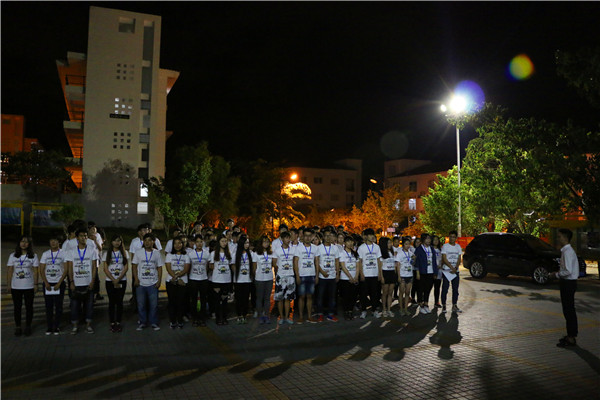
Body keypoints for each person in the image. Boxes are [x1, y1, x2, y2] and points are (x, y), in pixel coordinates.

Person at [66, 229, 98, 334]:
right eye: (81, 236)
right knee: (74, 306)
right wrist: (71, 282)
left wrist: (93, 281)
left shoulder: (92, 250)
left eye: (85, 236)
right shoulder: (71, 251)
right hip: (76, 283)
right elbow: (70, 268)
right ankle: (75, 326)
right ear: (77, 238)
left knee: (89, 306)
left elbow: (94, 267)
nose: (84, 238)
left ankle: (88, 325)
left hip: (88, 283)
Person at [7, 235, 39, 336]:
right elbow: (9, 270)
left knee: (29, 307)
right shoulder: (13, 256)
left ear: (29, 244)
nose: (23, 244)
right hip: (16, 286)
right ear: (19, 243)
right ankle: (18, 326)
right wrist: (8, 284)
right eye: (22, 241)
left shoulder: (33, 256)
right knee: (17, 307)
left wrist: (36, 284)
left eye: (26, 242)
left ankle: (28, 326)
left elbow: (36, 271)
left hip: (29, 286)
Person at [132, 233, 163, 331]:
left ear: (153, 242)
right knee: (141, 305)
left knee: (154, 305)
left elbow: (159, 268)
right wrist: (136, 279)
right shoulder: (138, 252)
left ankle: (154, 322)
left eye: (149, 240)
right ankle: (142, 322)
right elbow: (134, 266)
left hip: (153, 283)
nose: (147, 242)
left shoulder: (157, 253)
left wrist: (159, 281)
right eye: (145, 240)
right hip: (141, 283)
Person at [554, 228, 579, 347]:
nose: (558, 239)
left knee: (569, 311)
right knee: (568, 310)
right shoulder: (567, 251)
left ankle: (571, 338)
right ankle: (571, 335)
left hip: (568, 283)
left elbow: (568, 270)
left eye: (559, 236)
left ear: (565, 237)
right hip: (568, 283)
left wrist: (556, 274)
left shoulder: (568, 252)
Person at [40, 235, 68, 335]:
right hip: (48, 283)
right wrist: (46, 282)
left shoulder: (64, 253)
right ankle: (49, 327)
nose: (53, 242)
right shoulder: (45, 254)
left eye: (55, 240)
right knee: (49, 306)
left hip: (59, 283)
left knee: (58, 306)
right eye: (51, 240)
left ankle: (56, 326)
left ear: (59, 242)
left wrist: (59, 283)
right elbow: (41, 270)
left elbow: (66, 270)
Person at [103, 235, 129, 332]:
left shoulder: (125, 252)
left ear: (121, 242)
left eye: (119, 241)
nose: (117, 243)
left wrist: (119, 278)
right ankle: (112, 322)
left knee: (119, 302)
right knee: (111, 302)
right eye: (115, 240)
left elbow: (126, 267)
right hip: (110, 281)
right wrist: (113, 279)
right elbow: (105, 269)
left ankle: (118, 322)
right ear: (111, 242)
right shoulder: (106, 253)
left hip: (122, 280)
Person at [293, 228, 319, 323]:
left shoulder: (315, 248)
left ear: (312, 237)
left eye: (309, 236)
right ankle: (300, 316)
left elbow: (317, 261)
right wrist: (297, 276)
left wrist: (317, 275)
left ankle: (309, 316)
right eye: (306, 236)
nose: (307, 238)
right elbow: (295, 262)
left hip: (311, 275)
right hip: (302, 275)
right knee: (301, 297)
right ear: (303, 236)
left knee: (310, 296)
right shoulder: (298, 248)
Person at [315, 227, 340, 322]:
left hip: (332, 276)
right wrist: (321, 272)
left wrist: (337, 274)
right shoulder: (319, 248)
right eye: (326, 236)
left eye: (330, 236)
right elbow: (316, 262)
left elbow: (337, 261)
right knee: (320, 296)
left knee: (332, 296)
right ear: (323, 237)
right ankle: (320, 314)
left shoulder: (335, 248)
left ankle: (330, 314)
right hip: (322, 276)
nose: (328, 238)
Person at [165, 236, 190, 329]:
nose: (177, 245)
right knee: (172, 302)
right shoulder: (169, 255)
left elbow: (186, 269)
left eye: (179, 243)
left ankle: (180, 320)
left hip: (183, 282)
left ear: (182, 244)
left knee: (181, 302)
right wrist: (176, 278)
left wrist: (178, 277)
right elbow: (168, 268)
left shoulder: (186, 256)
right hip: (171, 281)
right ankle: (172, 321)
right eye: (175, 243)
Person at [209, 235, 234, 325]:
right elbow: (211, 266)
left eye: (225, 241)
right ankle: (218, 318)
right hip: (217, 280)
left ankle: (224, 317)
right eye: (222, 241)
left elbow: (231, 265)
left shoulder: (229, 253)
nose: (224, 243)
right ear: (219, 242)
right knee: (217, 300)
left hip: (226, 280)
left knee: (224, 300)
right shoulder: (213, 253)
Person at [358, 229, 382, 318]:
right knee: (363, 294)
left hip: (374, 274)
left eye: (373, 235)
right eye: (370, 235)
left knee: (374, 294)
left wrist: (380, 273)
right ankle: (363, 311)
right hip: (365, 274)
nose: (372, 237)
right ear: (366, 236)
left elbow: (379, 260)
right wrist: (361, 273)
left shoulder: (377, 247)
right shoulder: (361, 248)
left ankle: (374, 310)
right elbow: (359, 262)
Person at [272, 231, 296, 325]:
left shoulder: (293, 250)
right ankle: (281, 317)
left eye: (289, 238)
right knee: (280, 298)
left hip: (290, 276)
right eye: (286, 238)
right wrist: (280, 271)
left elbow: (294, 261)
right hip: (281, 276)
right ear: (282, 239)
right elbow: (274, 263)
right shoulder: (277, 250)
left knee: (288, 298)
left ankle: (287, 317)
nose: (288, 240)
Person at [187, 234, 210, 327]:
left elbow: (208, 266)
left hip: (203, 279)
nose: (199, 244)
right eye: (197, 242)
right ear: (194, 243)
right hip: (193, 279)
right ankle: (195, 318)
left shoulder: (206, 253)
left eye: (201, 242)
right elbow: (188, 267)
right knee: (194, 300)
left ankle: (202, 318)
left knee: (203, 300)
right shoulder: (190, 254)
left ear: (203, 242)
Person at [253, 236, 274, 324]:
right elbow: (254, 267)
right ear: (261, 243)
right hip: (259, 278)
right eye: (264, 242)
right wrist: (255, 276)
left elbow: (272, 265)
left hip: (269, 278)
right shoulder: (256, 254)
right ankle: (260, 316)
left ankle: (266, 315)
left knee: (267, 298)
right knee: (259, 298)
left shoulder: (271, 253)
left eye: (267, 242)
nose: (266, 243)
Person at [440, 230, 463, 314]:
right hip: (446, 271)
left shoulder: (458, 247)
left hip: (455, 271)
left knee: (455, 289)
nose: (452, 238)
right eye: (450, 237)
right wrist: (451, 267)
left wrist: (455, 268)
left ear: (456, 238)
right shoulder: (445, 246)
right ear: (448, 237)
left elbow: (459, 258)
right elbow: (444, 258)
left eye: (453, 237)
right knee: (445, 289)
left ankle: (454, 305)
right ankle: (444, 305)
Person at [414, 233, 437, 314]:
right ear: (423, 240)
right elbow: (416, 262)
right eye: (427, 239)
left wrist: (435, 272)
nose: (428, 240)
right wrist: (417, 272)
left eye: (429, 239)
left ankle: (426, 304)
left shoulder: (431, 248)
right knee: (420, 289)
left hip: (430, 271)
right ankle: (421, 305)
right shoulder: (419, 249)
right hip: (422, 271)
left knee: (428, 288)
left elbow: (434, 260)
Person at [339, 235, 360, 320]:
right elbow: (343, 266)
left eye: (351, 241)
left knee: (353, 296)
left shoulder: (355, 253)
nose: (350, 243)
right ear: (344, 243)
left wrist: (356, 276)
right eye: (348, 241)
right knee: (346, 296)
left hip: (354, 278)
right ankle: (346, 311)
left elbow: (358, 266)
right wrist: (350, 277)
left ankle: (351, 311)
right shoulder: (342, 253)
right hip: (345, 278)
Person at [234, 235, 253, 324]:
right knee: (238, 299)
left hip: (247, 280)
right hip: (238, 280)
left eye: (248, 243)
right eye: (245, 243)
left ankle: (244, 315)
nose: (247, 245)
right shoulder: (236, 254)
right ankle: (239, 315)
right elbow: (233, 266)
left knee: (246, 299)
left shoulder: (251, 253)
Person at [395, 237, 415, 316]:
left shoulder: (411, 253)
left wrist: (414, 259)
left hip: (410, 275)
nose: (408, 245)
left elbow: (413, 263)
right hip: (402, 275)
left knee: (407, 292)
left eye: (409, 244)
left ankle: (406, 309)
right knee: (401, 292)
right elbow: (398, 265)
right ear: (403, 245)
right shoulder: (400, 253)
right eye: (406, 244)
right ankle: (401, 308)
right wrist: (398, 276)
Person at [379, 237, 396, 318]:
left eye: (390, 243)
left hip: (392, 273)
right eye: (388, 243)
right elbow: (380, 267)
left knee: (390, 293)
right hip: (385, 273)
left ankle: (389, 309)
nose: (390, 244)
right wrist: (381, 277)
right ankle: (384, 309)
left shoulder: (392, 252)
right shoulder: (381, 254)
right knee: (385, 293)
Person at [88, 222, 104, 301]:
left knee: (96, 276)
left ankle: (96, 293)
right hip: (87, 260)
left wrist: (95, 240)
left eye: (94, 229)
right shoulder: (85, 237)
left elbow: (100, 248)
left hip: (95, 259)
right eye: (91, 229)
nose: (93, 231)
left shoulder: (97, 236)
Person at [432, 235, 443, 308]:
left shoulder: (440, 250)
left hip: (439, 271)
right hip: (431, 271)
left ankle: (436, 302)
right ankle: (424, 302)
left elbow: (443, 259)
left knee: (437, 287)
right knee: (428, 287)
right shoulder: (430, 249)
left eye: (437, 240)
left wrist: (441, 265)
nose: (436, 241)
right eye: (434, 240)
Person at [410, 237, 422, 304]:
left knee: (420, 285)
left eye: (419, 242)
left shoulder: (421, 250)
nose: (418, 243)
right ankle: (413, 298)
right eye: (416, 242)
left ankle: (419, 298)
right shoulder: (412, 249)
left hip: (420, 269)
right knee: (414, 285)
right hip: (414, 269)